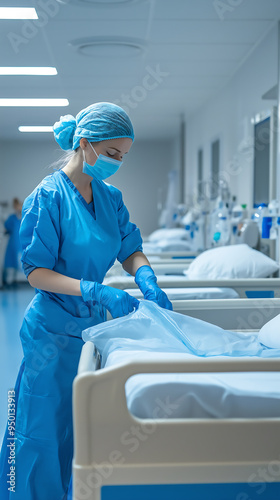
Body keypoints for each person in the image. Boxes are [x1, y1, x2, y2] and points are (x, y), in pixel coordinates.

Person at [0, 102, 172, 500]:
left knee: (83, 428)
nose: (116, 163)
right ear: (85, 143)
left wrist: (145, 275)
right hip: (51, 330)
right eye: (111, 154)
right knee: (41, 426)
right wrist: (93, 289)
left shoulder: (111, 198)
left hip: (93, 327)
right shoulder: (48, 196)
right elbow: (36, 271)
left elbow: (130, 247)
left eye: (123, 157)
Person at [2, 198, 22, 287]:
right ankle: (5, 281)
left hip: (20, 244)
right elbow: (6, 228)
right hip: (12, 243)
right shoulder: (12, 218)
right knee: (9, 262)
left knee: (18, 263)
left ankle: (14, 281)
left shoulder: (24, 217)